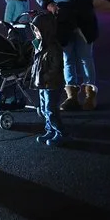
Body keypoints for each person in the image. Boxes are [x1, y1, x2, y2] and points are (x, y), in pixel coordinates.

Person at [30, 12, 68, 146]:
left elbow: (55, 68)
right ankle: (49, 130)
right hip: (43, 84)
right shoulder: (40, 45)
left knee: (51, 109)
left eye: (37, 29)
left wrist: (44, 77)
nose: (35, 32)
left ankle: (60, 133)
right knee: (44, 109)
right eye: (34, 29)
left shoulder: (53, 48)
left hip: (52, 84)